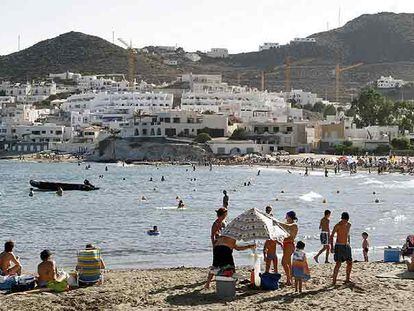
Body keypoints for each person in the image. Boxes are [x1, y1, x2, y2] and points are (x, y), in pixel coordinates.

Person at [275, 211, 298, 286]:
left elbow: (287, 227)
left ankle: (289, 279)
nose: (285, 218)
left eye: (287, 216)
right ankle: (290, 279)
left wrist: (277, 222)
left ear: (290, 217)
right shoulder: (286, 224)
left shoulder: (294, 225)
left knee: (283, 262)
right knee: (288, 263)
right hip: (286, 245)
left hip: (290, 245)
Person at [330, 212, 352, 285]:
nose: (345, 222)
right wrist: (332, 247)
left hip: (346, 246)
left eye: (346, 220)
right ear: (342, 218)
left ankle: (347, 279)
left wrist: (349, 243)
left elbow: (348, 235)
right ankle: (334, 281)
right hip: (339, 246)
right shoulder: (337, 225)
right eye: (344, 220)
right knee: (338, 264)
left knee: (349, 262)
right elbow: (331, 236)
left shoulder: (349, 225)